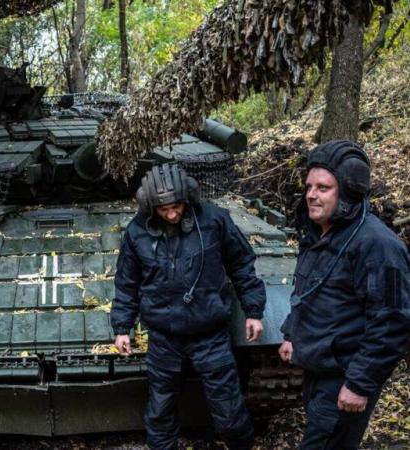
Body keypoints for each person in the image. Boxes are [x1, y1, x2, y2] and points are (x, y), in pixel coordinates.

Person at [111, 163, 266, 450]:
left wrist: (253, 310)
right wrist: (123, 327)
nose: (172, 214)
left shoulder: (214, 221)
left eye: (177, 206)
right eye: (163, 209)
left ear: (188, 198)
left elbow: (242, 265)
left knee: (230, 411)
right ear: (150, 206)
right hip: (164, 337)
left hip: (210, 334)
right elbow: (127, 283)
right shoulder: (137, 232)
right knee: (160, 412)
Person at [279, 140, 410, 450]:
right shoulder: (320, 233)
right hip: (319, 372)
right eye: (309, 185)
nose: (311, 194)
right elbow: (310, 291)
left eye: (323, 187)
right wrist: (291, 333)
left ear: (348, 192)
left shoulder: (378, 246)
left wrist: (359, 384)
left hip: (346, 376)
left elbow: (392, 322)